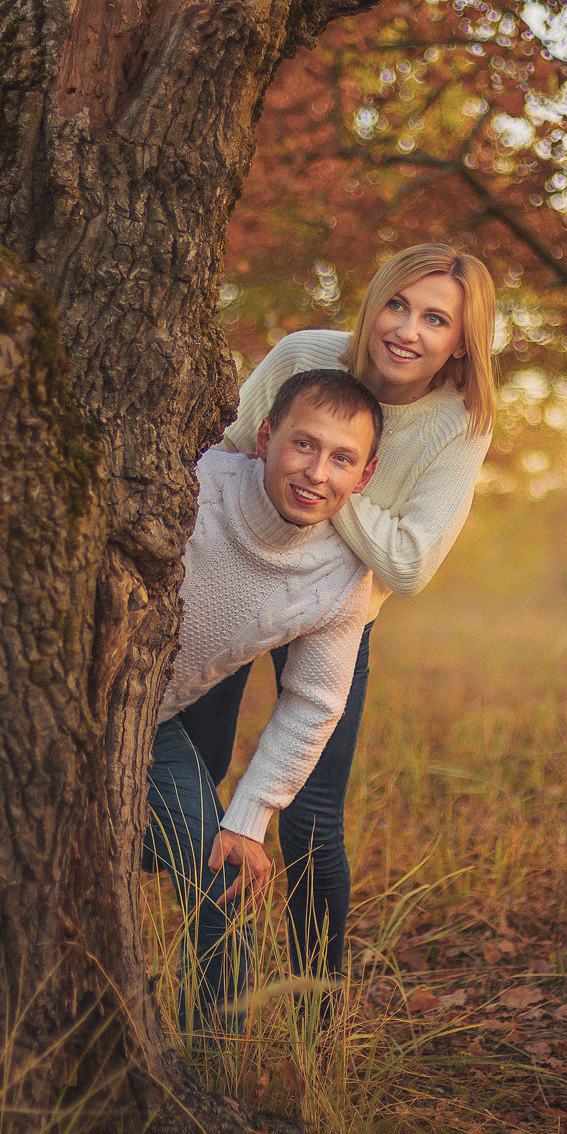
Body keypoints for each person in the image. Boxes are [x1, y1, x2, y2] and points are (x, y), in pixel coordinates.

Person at [179, 243, 496, 981]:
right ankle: (208, 973)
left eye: (435, 319)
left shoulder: (461, 422)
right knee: (197, 775)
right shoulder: (303, 356)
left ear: (461, 343)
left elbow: (409, 562)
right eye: (396, 304)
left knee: (313, 818)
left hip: (334, 607)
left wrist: (325, 485)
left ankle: (314, 1003)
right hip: (238, 579)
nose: (406, 330)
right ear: (373, 302)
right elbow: (232, 452)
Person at [145, 368, 382, 1036]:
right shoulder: (195, 484)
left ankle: (209, 1062)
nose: (317, 473)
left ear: (364, 476)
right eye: (304, 445)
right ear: (266, 436)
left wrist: (249, 817)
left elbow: (314, 703)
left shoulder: (342, 576)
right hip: (50, 692)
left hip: (149, 728)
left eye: (342, 459)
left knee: (224, 884)